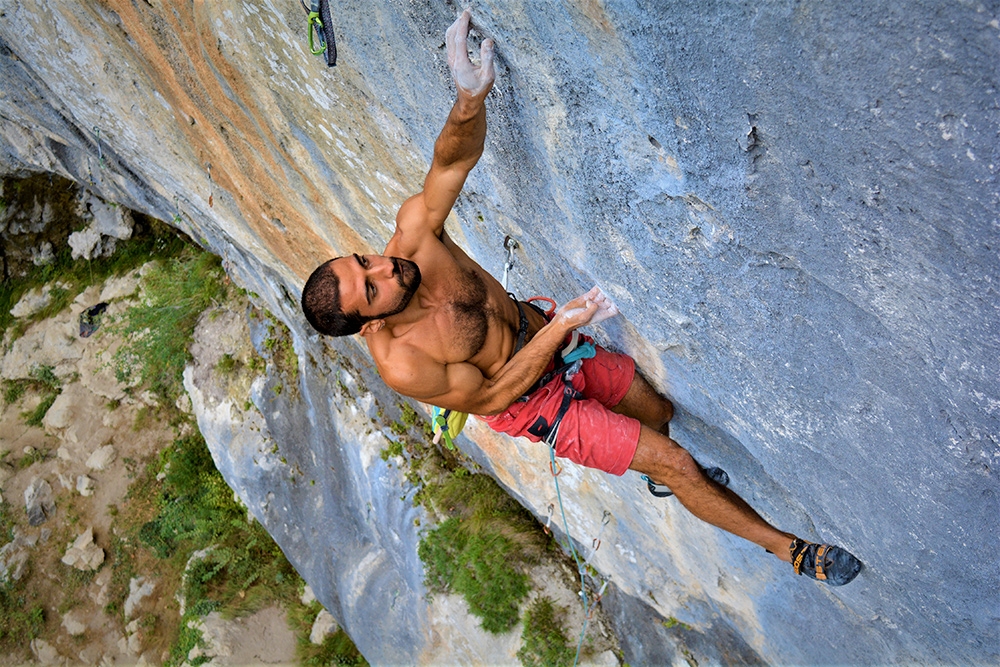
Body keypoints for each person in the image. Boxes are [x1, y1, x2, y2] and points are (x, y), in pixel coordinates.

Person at [301, 10, 861, 586]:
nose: (385, 268)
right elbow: (491, 398)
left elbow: (451, 163)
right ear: (367, 325)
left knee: (659, 415)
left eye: (363, 260)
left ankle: (669, 477)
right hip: (534, 403)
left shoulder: (413, 239)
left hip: (553, 336)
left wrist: (469, 99)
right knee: (676, 460)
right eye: (372, 288)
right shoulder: (402, 363)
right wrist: (556, 329)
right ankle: (789, 550)